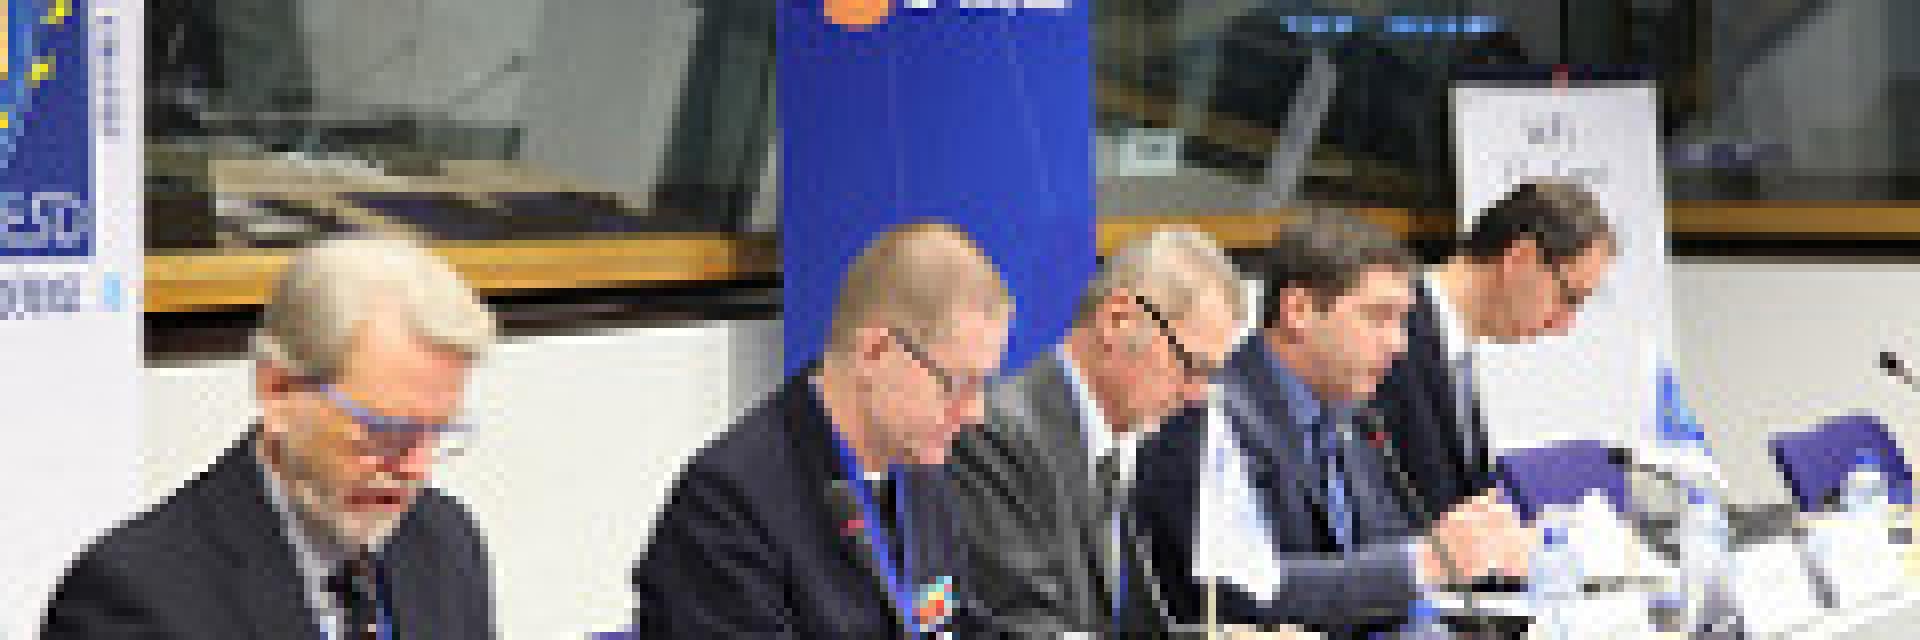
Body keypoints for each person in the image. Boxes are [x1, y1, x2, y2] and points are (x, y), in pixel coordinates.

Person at [43, 235, 500, 639]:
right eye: (386, 432)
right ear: (278, 392)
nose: (416, 467)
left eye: (437, 431)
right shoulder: (135, 594)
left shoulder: (445, 540)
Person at [1131, 217, 1536, 638]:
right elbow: (1237, 593)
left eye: (1402, 321)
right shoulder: (1206, 414)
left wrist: (1474, 549)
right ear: (1298, 311)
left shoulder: (1351, 409)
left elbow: (1386, 548)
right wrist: (1425, 561)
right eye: (1378, 317)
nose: (1398, 344)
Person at [632, 221, 1014, 636]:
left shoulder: (920, 475)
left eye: (984, 385)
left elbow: (957, 624)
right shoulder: (725, 506)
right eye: (957, 384)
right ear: (875, 353)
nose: (974, 413)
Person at [947, 228, 1246, 635]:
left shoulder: (1112, 446)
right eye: (1191, 365)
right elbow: (1028, 628)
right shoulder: (997, 437)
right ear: (1117, 321)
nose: (1195, 395)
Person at [1373, 179, 1617, 526]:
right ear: (1521, 259)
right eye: (1568, 297)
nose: (1563, 325)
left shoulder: (1453, 349)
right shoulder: (1388, 337)